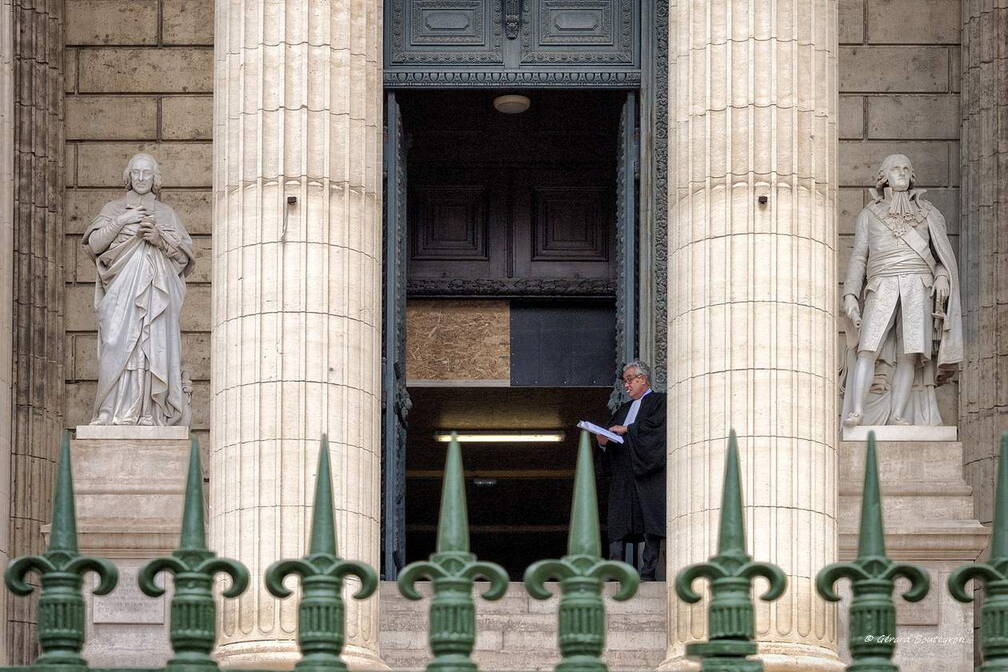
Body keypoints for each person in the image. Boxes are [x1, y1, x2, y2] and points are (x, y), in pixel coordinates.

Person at [840, 153, 962, 427]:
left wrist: (942, 276)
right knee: (867, 348)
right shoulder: (868, 215)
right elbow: (859, 256)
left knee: (910, 353)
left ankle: (897, 414)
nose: (902, 172)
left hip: (918, 284)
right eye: (896, 168)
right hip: (881, 283)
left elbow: (942, 257)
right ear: (883, 176)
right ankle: (857, 411)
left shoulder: (929, 213)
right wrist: (850, 294)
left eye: (907, 168)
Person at [82, 153, 195, 426]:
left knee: (150, 347)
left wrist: (159, 240)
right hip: (121, 295)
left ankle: (149, 412)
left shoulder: (167, 214)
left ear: (156, 179)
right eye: (136, 173)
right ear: (128, 177)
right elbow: (94, 245)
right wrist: (123, 220)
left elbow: (185, 258)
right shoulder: (113, 208)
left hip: (157, 295)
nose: (142, 178)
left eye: (147, 173)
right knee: (116, 343)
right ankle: (109, 410)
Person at [596, 360, 666, 580]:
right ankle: (615, 571)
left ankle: (648, 572)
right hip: (623, 475)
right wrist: (602, 442)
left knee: (650, 522)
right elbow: (612, 435)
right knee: (618, 521)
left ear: (642, 379)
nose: (626, 386)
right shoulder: (623, 409)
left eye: (629, 381)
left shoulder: (659, 402)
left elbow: (658, 429)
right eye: (625, 381)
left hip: (648, 472)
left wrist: (628, 428)